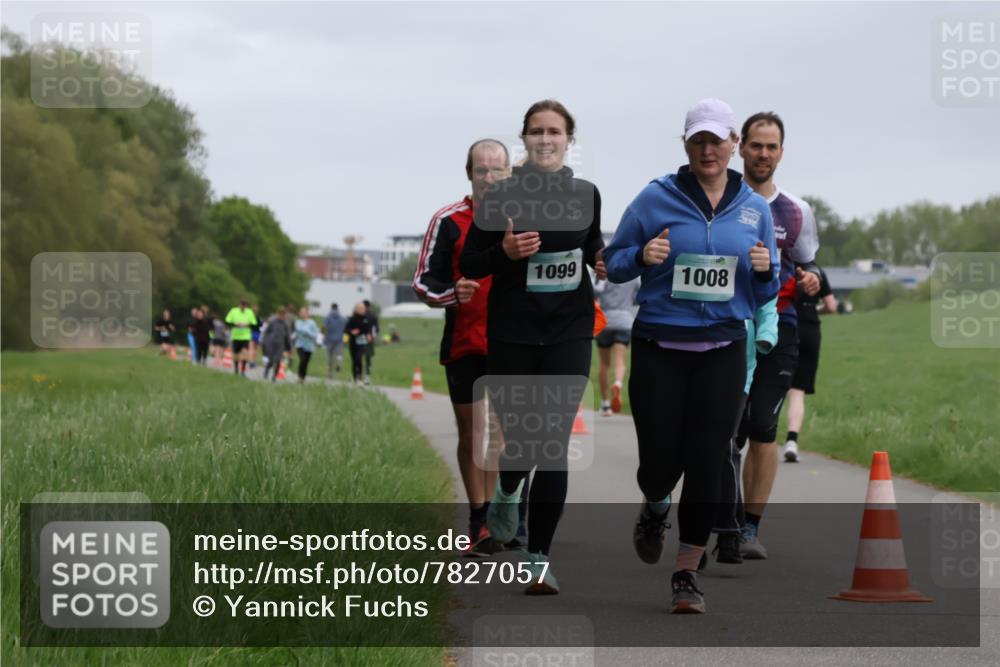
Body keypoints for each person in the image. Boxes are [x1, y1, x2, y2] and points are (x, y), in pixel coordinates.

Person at [603, 98, 779, 613]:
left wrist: (767, 271)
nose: (709, 149)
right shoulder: (655, 198)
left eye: (718, 140)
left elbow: (766, 292)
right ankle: (655, 503)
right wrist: (639, 255)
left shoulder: (755, 208)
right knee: (660, 462)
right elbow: (611, 265)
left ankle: (686, 573)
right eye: (699, 139)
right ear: (686, 144)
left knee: (708, 461)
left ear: (734, 146)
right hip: (659, 344)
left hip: (723, 347)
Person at [460, 100, 606, 594]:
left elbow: (591, 249)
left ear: (569, 139)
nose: (546, 139)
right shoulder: (501, 197)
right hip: (513, 333)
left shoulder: (586, 194)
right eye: (537, 131)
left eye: (555, 131)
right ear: (524, 139)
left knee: (553, 442)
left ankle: (539, 559)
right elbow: (471, 263)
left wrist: (606, 260)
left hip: (569, 330)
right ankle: (506, 487)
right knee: (521, 443)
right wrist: (502, 252)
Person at [413, 138, 512, 557]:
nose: (489, 177)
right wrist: (453, 292)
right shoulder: (449, 220)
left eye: (497, 170)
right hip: (465, 341)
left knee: (503, 437)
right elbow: (422, 282)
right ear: (469, 174)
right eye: (481, 170)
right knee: (473, 433)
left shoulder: (526, 216)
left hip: (512, 340)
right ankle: (478, 516)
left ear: (510, 174)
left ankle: (499, 518)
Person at [736, 111, 821, 559]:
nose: (764, 154)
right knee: (726, 429)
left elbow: (807, 264)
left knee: (763, 427)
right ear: (741, 148)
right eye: (756, 145)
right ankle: (721, 519)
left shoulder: (796, 210)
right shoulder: (722, 199)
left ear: (781, 152)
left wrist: (812, 281)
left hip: (780, 327)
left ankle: (749, 527)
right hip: (725, 326)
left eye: (772, 147)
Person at [702, 296, 778, 569]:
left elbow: (768, 298)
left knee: (726, 445)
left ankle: (728, 534)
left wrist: (767, 335)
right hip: (686, 350)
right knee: (695, 449)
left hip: (737, 362)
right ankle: (695, 533)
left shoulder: (753, 253)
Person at [783, 266, 837, 462]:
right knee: (798, 392)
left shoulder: (787, 266)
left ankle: (760, 434)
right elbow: (831, 306)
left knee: (774, 385)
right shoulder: (818, 273)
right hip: (811, 330)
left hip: (787, 326)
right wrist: (815, 310)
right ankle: (792, 441)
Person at [593, 277, 641, 416]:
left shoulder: (605, 272)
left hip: (605, 321)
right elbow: (638, 296)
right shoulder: (634, 275)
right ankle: (618, 383)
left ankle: (605, 404)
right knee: (620, 361)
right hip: (624, 321)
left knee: (604, 364)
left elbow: (596, 292)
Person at [225, 298, 258, 377]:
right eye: (241, 305)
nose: (243, 307)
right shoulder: (233, 311)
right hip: (236, 336)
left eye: (244, 306)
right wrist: (236, 324)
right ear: (239, 305)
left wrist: (247, 325)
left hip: (245, 336)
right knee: (236, 355)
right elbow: (227, 321)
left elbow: (255, 324)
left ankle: (243, 371)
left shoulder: (249, 312)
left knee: (245, 353)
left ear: (246, 306)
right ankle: (236, 369)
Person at [345, 302, 374, 384]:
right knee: (354, 360)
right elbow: (346, 329)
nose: (362, 310)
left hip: (362, 342)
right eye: (360, 308)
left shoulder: (366, 319)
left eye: (363, 308)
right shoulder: (351, 319)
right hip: (353, 342)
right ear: (356, 309)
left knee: (359, 358)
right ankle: (355, 378)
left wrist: (369, 335)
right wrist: (352, 332)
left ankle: (360, 377)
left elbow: (368, 329)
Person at [261, 307, 292, 381]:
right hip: (271, 344)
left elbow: (287, 336)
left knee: (278, 361)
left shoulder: (285, 324)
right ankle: (266, 370)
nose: (281, 316)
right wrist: (264, 342)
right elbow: (266, 333)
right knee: (271, 361)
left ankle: (274, 377)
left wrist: (289, 348)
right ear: (277, 314)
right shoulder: (272, 322)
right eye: (280, 314)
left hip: (280, 345)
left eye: (283, 315)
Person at [294, 306, 319, 383]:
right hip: (300, 344)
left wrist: (308, 333)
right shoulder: (298, 322)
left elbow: (315, 334)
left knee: (306, 362)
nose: (302, 314)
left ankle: (302, 377)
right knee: (302, 359)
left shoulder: (312, 323)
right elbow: (296, 332)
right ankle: (299, 376)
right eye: (301, 312)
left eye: (304, 312)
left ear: (307, 313)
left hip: (309, 346)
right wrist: (293, 335)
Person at [322, 303, 347, 379]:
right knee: (339, 354)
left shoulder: (328, 317)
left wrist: (323, 334)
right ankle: (339, 362)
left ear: (331, 308)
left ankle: (330, 374)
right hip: (339, 339)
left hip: (329, 339)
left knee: (330, 356)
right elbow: (346, 327)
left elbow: (323, 327)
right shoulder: (342, 318)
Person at [363, 300, 378, 376]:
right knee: (367, 358)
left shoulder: (362, 315)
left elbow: (375, 328)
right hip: (368, 338)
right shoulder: (373, 316)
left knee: (366, 357)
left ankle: (366, 374)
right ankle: (367, 374)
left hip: (366, 338)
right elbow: (376, 328)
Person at [249, 304, 262, 369]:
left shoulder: (250, 317)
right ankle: (253, 361)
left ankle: (250, 361)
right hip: (257, 333)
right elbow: (261, 325)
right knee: (255, 349)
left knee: (251, 348)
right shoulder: (258, 317)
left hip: (251, 332)